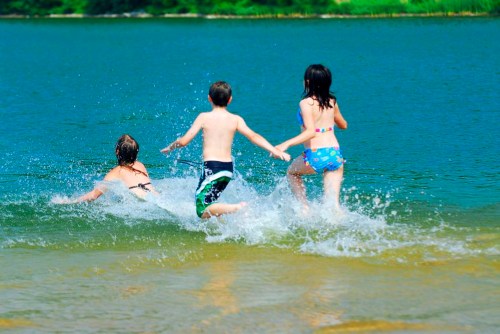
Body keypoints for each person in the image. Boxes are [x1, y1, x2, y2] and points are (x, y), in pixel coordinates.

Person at [161, 81, 290, 219]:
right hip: (227, 170)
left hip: (212, 167)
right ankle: (223, 231)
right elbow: (253, 136)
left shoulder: (204, 117)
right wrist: (275, 150)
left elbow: (184, 141)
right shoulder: (235, 119)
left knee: (201, 209)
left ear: (209, 98)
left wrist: (170, 147)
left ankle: (237, 207)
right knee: (211, 204)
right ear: (230, 100)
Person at [276, 64, 348, 212]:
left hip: (315, 154)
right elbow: (343, 125)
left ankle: (304, 208)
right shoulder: (332, 101)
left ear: (308, 82)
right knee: (333, 205)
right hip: (335, 154)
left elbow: (310, 132)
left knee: (292, 173)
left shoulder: (305, 103)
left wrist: (285, 144)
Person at [55, 134, 157, 203]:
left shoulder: (116, 172)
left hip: (141, 203)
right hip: (156, 198)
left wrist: (70, 202)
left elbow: (93, 196)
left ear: (117, 151)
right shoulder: (141, 165)